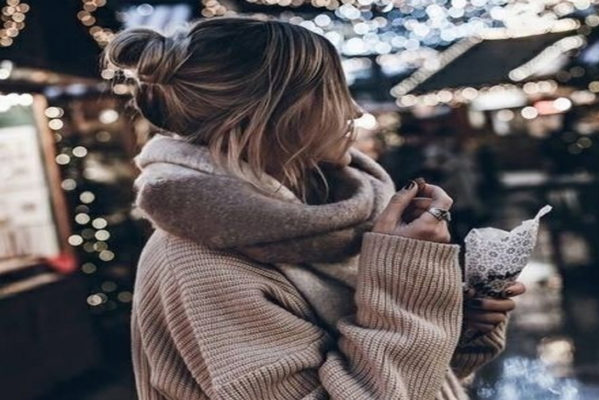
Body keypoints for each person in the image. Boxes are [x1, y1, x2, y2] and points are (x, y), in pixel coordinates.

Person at [104, 16, 524, 400]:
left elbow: (416, 381)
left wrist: (459, 323)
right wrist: (407, 279)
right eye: (331, 93)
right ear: (269, 113)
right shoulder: (198, 264)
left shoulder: (328, 223)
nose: (353, 110)